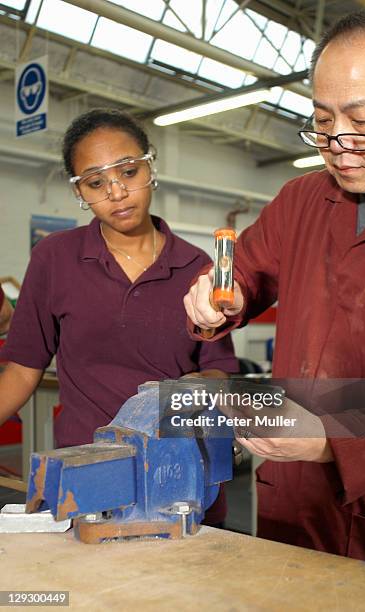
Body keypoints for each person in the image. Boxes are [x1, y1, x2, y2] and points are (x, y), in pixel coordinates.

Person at [184, 9, 365, 569]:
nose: (337, 143)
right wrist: (218, 294)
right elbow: (242, 274)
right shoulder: (302, 200)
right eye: (322, 120)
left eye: (361, 123)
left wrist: (338, 436)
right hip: (295, 505)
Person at [0, 108, 238, 525]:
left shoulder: (196, 265)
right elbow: (22, 371)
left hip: (179, 477)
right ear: (80, 191)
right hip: (90, 480)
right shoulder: (55, 258)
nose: (116, 192)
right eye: (95, 182)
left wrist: (184, 393)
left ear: (149, 166)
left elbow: (218, 371)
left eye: (128, 172)